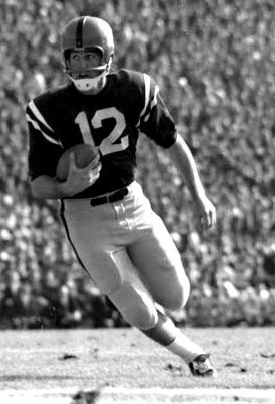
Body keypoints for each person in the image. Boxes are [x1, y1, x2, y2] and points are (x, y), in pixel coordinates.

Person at [26, 16, 217, 376]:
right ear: (65, 59)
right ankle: (192, 354)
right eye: (75, 57)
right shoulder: (47, 109)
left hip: (132, 203)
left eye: (89, 56)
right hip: (86, 218)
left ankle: (155, 300)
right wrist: (66, 188)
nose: (81, 65)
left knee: (176, 295)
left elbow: (172, 143)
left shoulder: (134, 88)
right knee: (134, 306)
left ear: (108, 55)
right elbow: (38, 183)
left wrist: (199, 196)